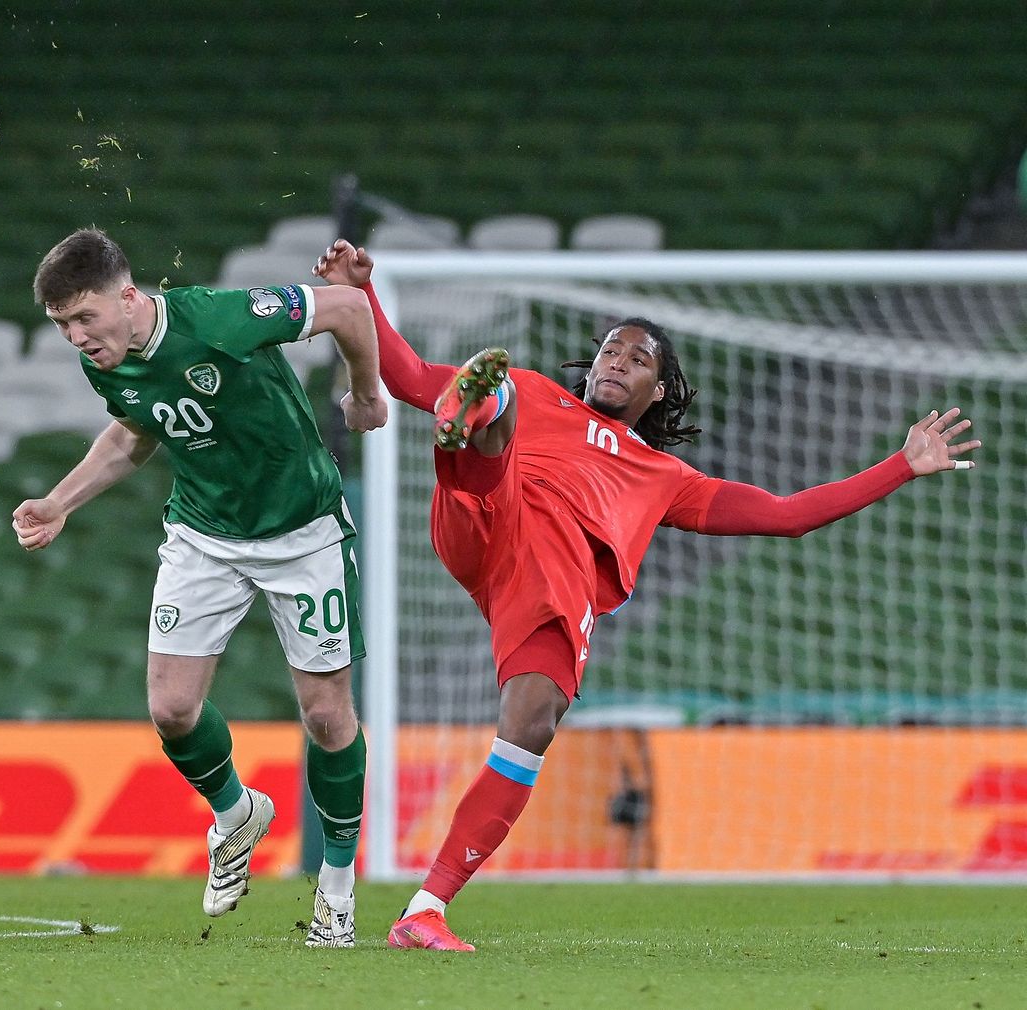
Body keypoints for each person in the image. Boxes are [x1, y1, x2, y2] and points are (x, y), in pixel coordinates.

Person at [313, 239, 981, 952]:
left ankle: (425, 909)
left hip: (547, 584)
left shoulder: (665, 477)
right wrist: (362, 295)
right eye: (609, 350)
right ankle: (473, 420)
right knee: (505, 409)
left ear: (659, 390)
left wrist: (900, 467)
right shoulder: (545, 393)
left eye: (637, 359)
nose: (616, 361)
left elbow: (787, 516)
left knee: (533, 723)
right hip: (489, 516)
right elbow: (408, 373)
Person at [15, 228, 387, 949]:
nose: (76, 338)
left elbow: (346, 306)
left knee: (326, 716)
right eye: (62, 326)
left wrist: (364, 394)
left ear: (128, 297)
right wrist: (60, 501)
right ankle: (236, 812)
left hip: (303, 530)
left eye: (85, 318)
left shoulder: (220, 317)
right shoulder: (107, 360)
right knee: (173, 708)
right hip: (205, 534)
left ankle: (336, 894)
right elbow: (133, 433)